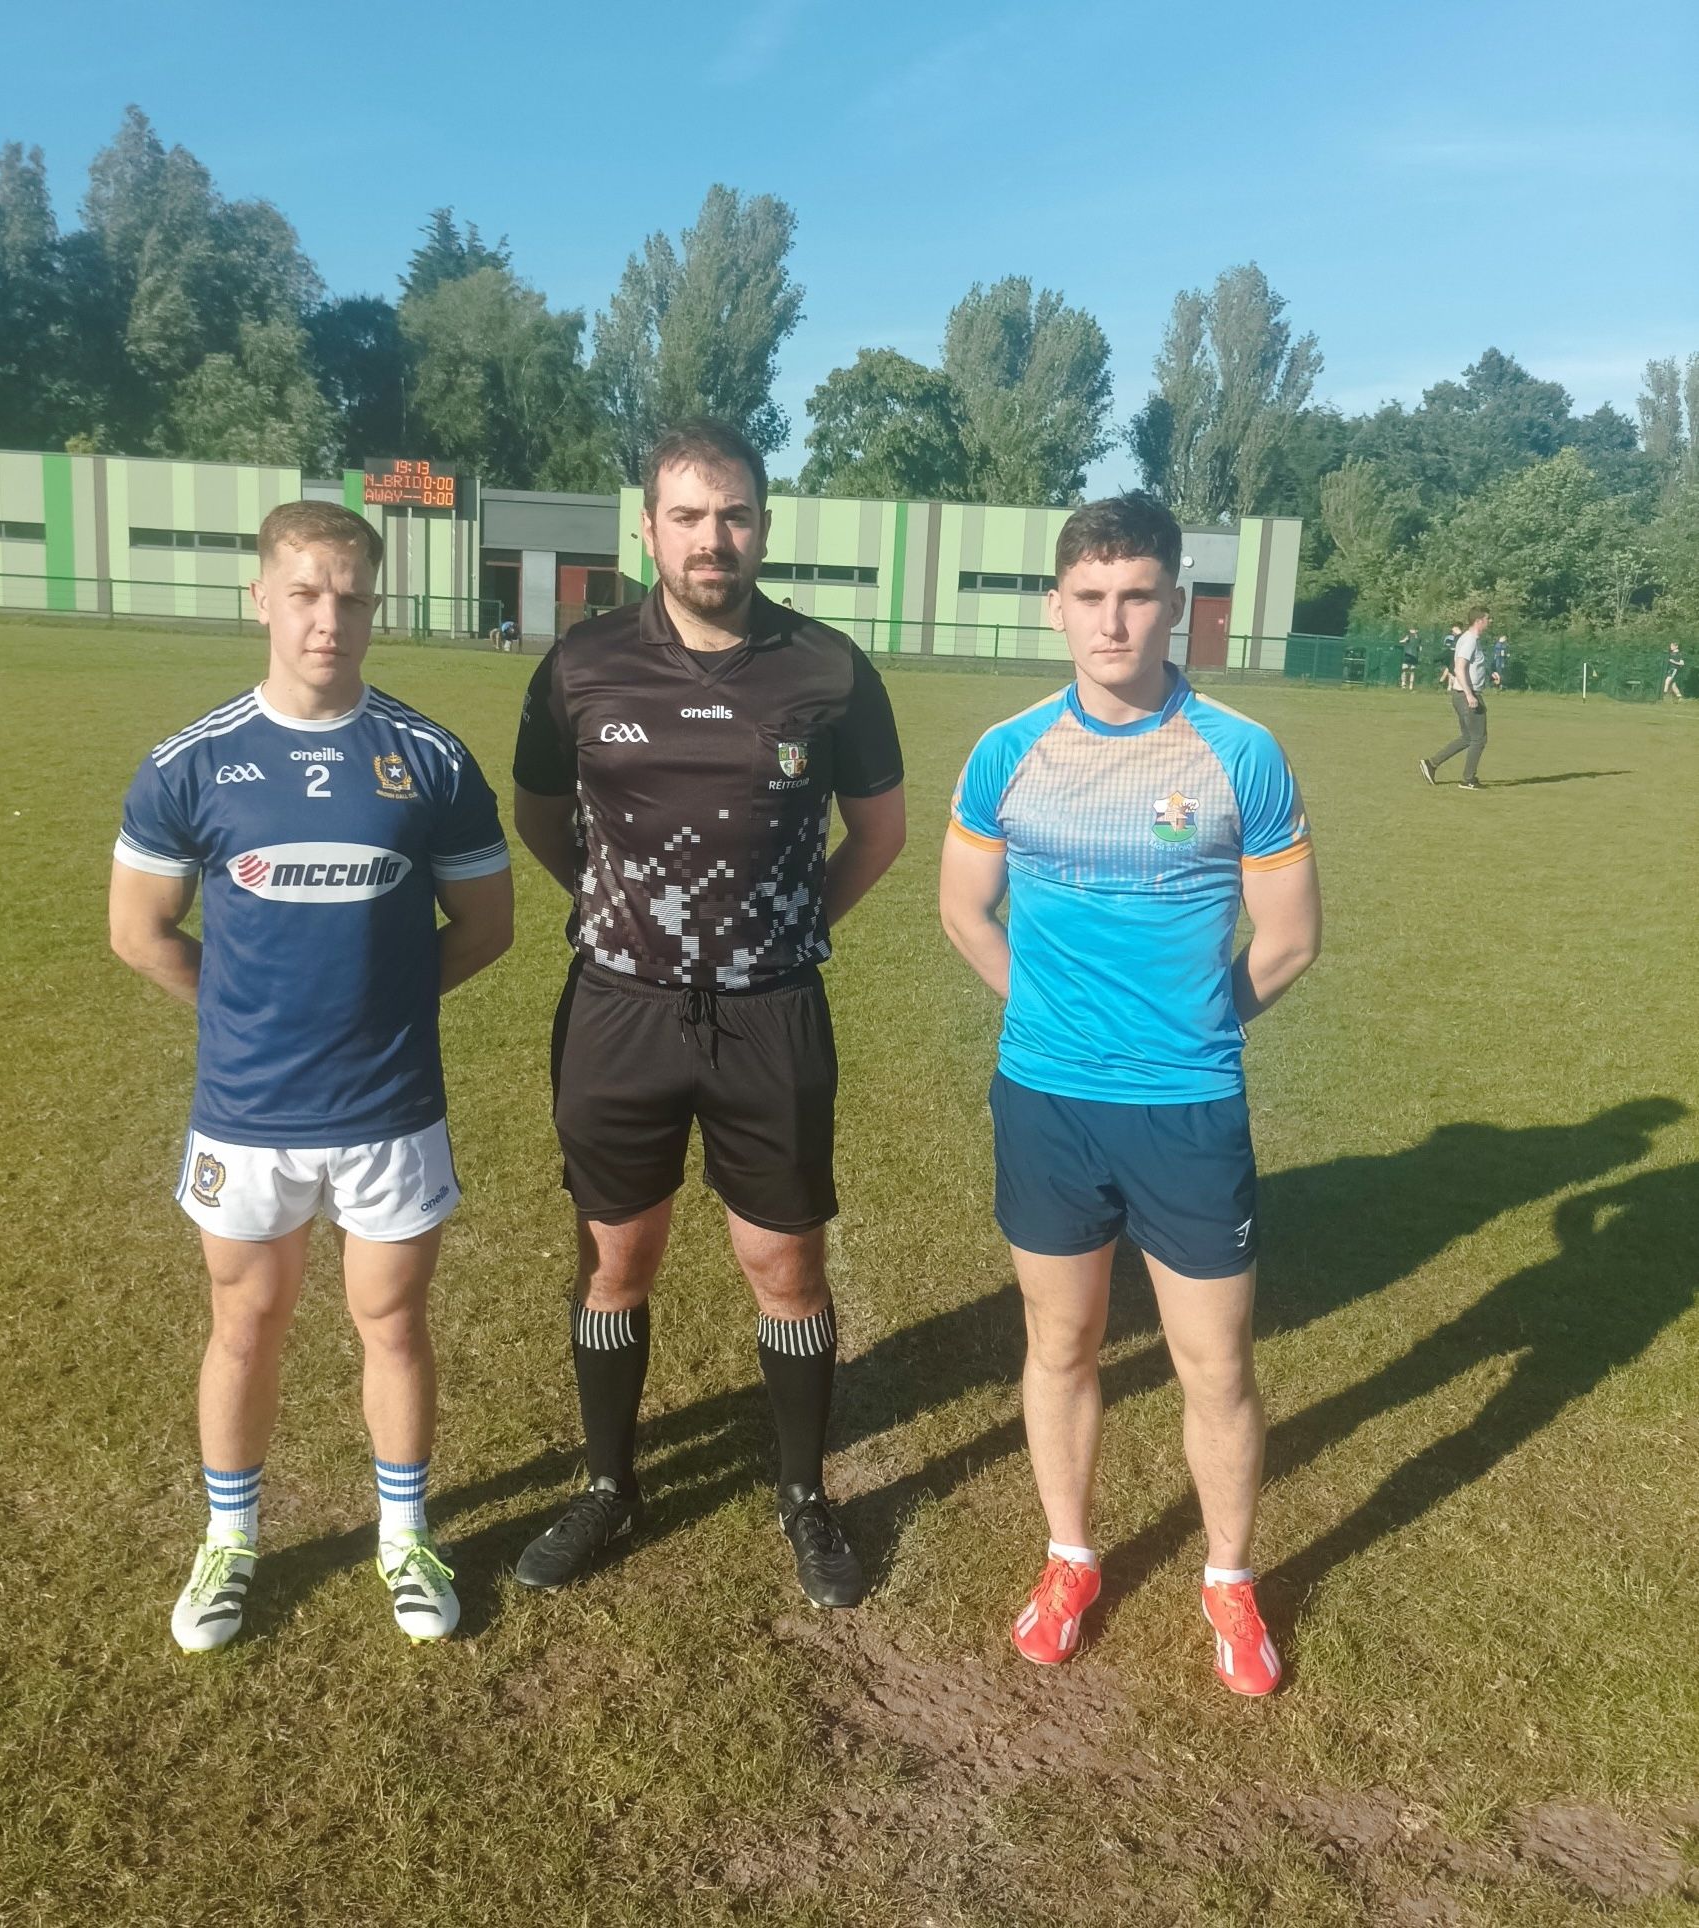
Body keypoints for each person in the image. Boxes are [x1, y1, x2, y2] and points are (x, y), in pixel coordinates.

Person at [510, 420, 906, 1608]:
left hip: (771, 1016)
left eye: (733, 514)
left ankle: (801, 1490)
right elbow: (539, 817)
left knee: (785, 1264)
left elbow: (877, 833)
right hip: (619, 1013)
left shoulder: (828, 669)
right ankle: (607, 1484)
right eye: (687, 516)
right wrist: (620, 914)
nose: (711, 538)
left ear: (764, 525)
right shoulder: (580, 665)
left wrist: (788, 931)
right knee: (615, 1258)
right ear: (648, 529)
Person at [108, 501, 515, 1652]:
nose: (326, 617)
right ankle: (231, 1539)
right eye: (304, 592)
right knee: (246, 1321)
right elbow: (139, 930)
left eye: (349, 595)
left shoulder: (428, 758)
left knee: (393, 1320)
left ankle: (404, 1535)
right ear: (262, 598)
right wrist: (246, 1014)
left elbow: (486, 924)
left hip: (390, 1109)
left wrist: (378, 1007)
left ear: (374, 604)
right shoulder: (190, 762)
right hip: (248, 1111)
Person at [939, 492, 1320, 1698]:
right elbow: (962, 906)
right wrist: (1041, 1010)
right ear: (1058, 607)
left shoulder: (1238, 753)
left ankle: (1229, 1577)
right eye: (1091, 597)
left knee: (1216, 1365)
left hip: (1189, 1107)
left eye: (1138, 595)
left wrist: (1192, 1025)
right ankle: (1070, 1555)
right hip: (1045, 1100)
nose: (1114, 620)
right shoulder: (1008, 751)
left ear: (1178, 608)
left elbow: (1290, 939)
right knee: (1061, 1342)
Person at [1419, 607, 1492, 788]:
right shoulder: (1470, 641)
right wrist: (1469, 695)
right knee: (1479, 739)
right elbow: (1459, 668)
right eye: (1488, 619)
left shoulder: (1469, 639)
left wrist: (1490, 675)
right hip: (1467, 695)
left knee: (1468, 737)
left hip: (1462, 694)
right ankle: (1468, 780)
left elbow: (1472, 667)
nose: (1490, 622)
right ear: (1479, 621)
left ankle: (1431, 763)